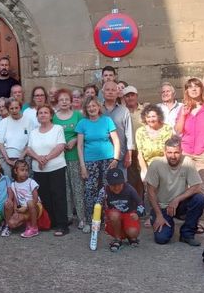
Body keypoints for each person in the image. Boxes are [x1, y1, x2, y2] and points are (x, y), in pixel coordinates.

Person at [175, 78, 204, 233]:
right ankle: (190, 219)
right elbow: (178, 130)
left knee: (201, 187)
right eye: (190, 87)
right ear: (186, 91)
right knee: (187, 187)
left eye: (196, 86)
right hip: (187, 151)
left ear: (202, 89)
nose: (193, 89)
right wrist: (183, 114)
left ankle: (201, 221)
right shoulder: (184, 108)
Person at [145, 137, 204, 246]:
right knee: (161, 239)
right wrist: (159, 215)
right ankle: (164, 222)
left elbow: (197, 187)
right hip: (161, 206)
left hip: (179, 204)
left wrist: (177, 200)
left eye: (176, 152)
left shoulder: (187, 162)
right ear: (164, 152)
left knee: (199, 199)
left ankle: (187, 234)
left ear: (181, 151)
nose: (173, 156)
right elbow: (150, 192)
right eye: (169, 152)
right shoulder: (156, 164)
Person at [76, 95, 121, 233]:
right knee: (90, 190)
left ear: (98, 107)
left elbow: (116, 140)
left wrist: (116, 159)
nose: (91, 108)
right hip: (90, 161)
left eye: (93, 106)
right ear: (86, 109)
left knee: (107, 189)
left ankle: (108, 220)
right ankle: (91, 221)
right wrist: (82, 166)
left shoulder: (107, 120)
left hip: (108, 160)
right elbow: (79, 146)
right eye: (88, 106)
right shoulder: (82, 123)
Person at [25, 105, 68, 235]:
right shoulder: (33, 132)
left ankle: (62, 225)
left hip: (56, 167)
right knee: (45, 197)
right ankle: (50, 222)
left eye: (46, 112)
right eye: (40, 113)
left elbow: (60, 146)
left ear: (51, 115)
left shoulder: (57, 129)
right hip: (39, 169)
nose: (43, 115)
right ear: (37, 116)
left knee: (58, 196)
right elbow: (29, 149)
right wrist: (38, 158)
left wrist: (46, 159)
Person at [53, 89, 85, 229]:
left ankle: (82, 217)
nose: (64, 102)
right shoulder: (54, 117)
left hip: (75, 157)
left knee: (77, 187)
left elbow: (83, 133)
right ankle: (68, 216)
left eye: (67, 99)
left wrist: (75, 141)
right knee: (64, 188)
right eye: (61, 100)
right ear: (57, 102)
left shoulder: (78, 115)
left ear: (71, 101)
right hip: (59, 158)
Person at [99, 167, 146, 251]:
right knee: (114, 215)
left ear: (123, 182)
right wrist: (98, 218)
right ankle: (117, 239)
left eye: (119, 184)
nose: (116, 187)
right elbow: (97, 205)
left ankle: (129, 236)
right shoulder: (104, 190)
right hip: (114, 217)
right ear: (108, 184)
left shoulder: (129, 189)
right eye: (113, 185)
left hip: (128, 214)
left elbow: (140, 203)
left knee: (133, 232)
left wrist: (138, 214)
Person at [0, 98, 32, 177]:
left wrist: (21, 158)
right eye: (11, 108)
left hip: (24, 158)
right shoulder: (4, 122)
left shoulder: (28, 121)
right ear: (8, 109)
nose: (14, 110)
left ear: (20, 108)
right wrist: (7, 160)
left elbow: (31, 142)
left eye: (16, 108)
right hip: (6, 159)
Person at [2, 159, 41, 238]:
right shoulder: (13, 185)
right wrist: (16, 211)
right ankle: (8, 227)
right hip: (22, 209)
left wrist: (26, 208)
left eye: (26, 170)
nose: (25, 172)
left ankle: (34, 228)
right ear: (15, 171)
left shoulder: (31, 182)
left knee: (30, 202)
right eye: (22, 170)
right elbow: (16, 200)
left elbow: (36, 199)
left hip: (35, 207)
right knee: (11, 222)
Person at [134, 105, 174, 180]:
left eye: (153, 116)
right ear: (144, 118)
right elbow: (140, 155)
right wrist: (145, 171)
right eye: (148, 117)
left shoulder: (167, 129)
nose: (151, 119)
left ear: (159, 116)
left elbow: (170, 151)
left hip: (166, 167)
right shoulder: (140, 132)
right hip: (148, 167)